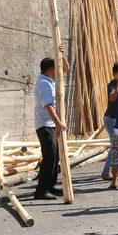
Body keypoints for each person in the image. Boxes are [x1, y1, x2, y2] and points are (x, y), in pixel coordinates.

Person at [33, 45, 70, 200]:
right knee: (49, 157)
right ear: (49, 70)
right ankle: (41, 191)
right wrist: (58, 122)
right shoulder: (44, 84)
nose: (58, 72)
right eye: (56, 69)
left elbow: (66, 68)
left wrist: (61, 54)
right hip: (45, 125)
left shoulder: (49, 80)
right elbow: (48, 105)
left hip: (51, 124)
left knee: (54, 157)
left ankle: (51, 185)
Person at [101, 62, 118, 181]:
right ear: (116, 74)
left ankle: (116, 166)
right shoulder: (112, 85)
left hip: (116, 118)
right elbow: (113, 97)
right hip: (110, 119)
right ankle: (106, 172)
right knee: (114, 145)